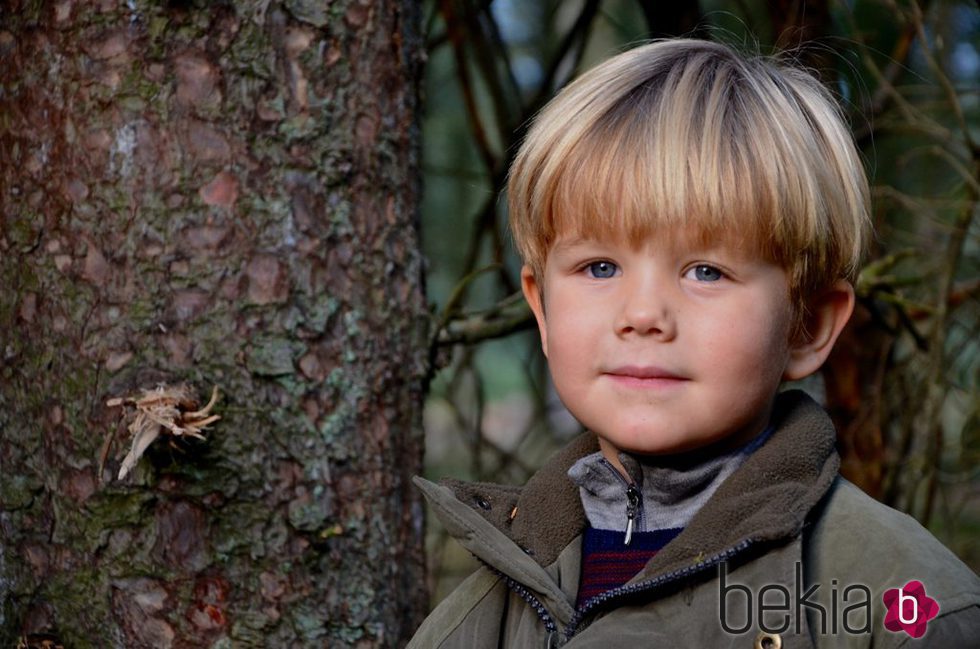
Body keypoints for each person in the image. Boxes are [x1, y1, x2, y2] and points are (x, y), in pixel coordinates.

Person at [408, 39, 980, 648]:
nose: (643, 314)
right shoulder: (480, 614)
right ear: (543, 310)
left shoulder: (903, 610)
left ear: (807, 324)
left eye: (705, 271)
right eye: (600, 267)